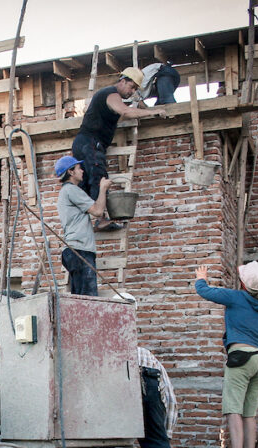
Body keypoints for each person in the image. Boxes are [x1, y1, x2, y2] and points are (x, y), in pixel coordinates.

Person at [194, 261, 258, 448]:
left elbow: (205, 291)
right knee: (249, 412)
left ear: (243, 283)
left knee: (233, 408)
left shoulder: (236, 297)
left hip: (241, 358)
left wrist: (201, 277)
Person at [72, 66, 165, 204]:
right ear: (122, 80)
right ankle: (101, 219)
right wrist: (153, 112)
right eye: (132, 87)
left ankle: (91, 220)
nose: (132, 92)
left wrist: (141, 109)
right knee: (99, 178)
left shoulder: (111, 98)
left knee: (84, 184)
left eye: (135, 90)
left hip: (83, 142)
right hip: (90, 142)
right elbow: (126, 112)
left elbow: (123, 114)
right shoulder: (111, 93)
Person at [53, 155, 110, 296]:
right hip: (80, 250)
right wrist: (102, 189)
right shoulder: (71, 190)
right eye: (79, 168)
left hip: (74, 250)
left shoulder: (66, 192)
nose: (82, 171)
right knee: (88, 299)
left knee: (80, 299)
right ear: (71, 172)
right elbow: (97, 211)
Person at [137, 345, 184, 448]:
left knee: (111, 439)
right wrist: (165, 433)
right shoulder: (145, 354)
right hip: (148, 375)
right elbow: (168, 397)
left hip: (118, 372)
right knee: (156, 443)